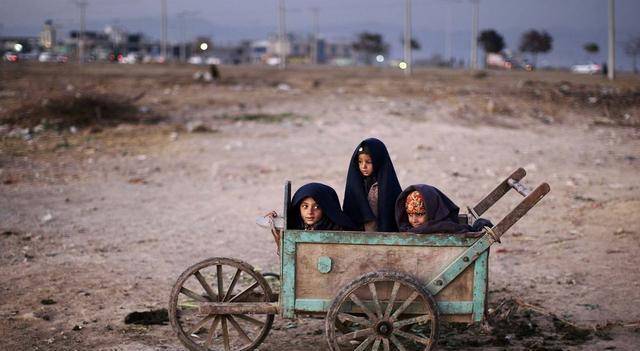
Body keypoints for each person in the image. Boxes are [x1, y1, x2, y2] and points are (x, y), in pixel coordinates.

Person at [343, 138, 402, 232]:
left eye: (368, 162)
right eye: (360, 162)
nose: (363, 166)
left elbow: (391, 220)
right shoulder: (356, 185)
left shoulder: (388, 187)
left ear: (378, 161)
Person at [395, 184, 492, 234]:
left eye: (420, 214)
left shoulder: (444, 227)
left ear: (432, 211)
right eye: (410, 215)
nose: (414, 220)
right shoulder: (406, 227)